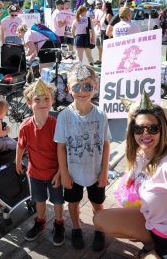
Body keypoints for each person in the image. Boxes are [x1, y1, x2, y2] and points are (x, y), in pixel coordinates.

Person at [93, 92, 167, 259]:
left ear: (162, 129)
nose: (145, 134)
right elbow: (133, 141)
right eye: (139, 129)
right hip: (150, 225)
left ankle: (157, 251)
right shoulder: (142, 155)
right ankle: (150, 245)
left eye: (152, 128)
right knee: (99, 219)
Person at [54, 64, 111, 251]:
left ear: (95, 86)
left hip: (95, 171)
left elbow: (106, 143)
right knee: (73, 203)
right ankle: (76, 228)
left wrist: (104, 172)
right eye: (77, 87)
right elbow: (61, 147)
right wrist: (64, 173)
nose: (82, 91)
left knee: (98, 204)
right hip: (73, 171)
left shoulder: (101, 115)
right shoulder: (64, 116)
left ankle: (100, 228)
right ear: (69, 89)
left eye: (87, 86)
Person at [15, 79, 65, 246]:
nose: (42, 103)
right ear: (29, 102)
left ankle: (59, 224)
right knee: (39, 200)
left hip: (54, 173)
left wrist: (60, 172)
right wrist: (17, 162)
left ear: (52, 101)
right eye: (37, 99)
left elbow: (62, 151)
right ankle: (40, 222)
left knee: (57, 201)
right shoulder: (25, 126)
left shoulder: (56, 125)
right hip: (35, 172)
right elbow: (20, 145)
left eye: (46, 99)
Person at [92, 0, 106, 65]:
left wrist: (99, 22)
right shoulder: (96, 11)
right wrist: (94, 21)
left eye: (100, 3)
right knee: (98, 46)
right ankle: (100, 59)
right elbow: (95, 20)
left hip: (103, 31)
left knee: (103, 46)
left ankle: (103, 60)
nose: (99, 5)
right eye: (97, 4)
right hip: (97, 30)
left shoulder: (104, 11)